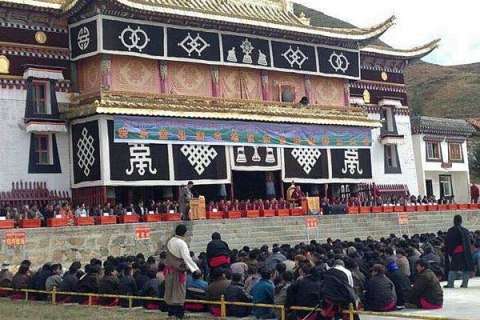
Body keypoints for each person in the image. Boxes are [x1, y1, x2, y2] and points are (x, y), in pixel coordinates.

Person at [164, 224, 200, 319]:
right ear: (184, 233)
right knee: (179, 292)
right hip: (178, 271)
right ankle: (179, 314)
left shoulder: (170, 241)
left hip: (169, 270)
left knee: (170, 292)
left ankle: (170, 313)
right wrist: (195, 269)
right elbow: (187, 258)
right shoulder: (181, 243)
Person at [445, 215, 474, 288]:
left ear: (454, 221)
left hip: (456, 252)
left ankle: (450, 284)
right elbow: (468, 243)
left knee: (453, 268)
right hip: (465, 252)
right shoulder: (465, 230)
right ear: (461, 221)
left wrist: (450, 252)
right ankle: (465, 284)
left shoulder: (451, 230)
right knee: (465, 268)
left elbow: (449, 243)